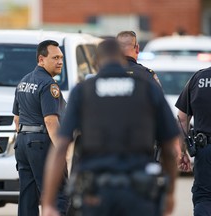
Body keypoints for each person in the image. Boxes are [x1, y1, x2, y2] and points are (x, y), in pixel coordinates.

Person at [42, 39, 180, 216]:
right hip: (139, 194)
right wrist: (169, 194)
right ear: (123, 59)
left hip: (96, 194)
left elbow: (61, 147)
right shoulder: (148, 88)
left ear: (96, 63)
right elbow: (170, 147)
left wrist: (48, 203)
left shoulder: (83, 91)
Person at [12, 40, 69, 216]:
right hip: (41, 144)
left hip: (22, 143)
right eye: (55, 58)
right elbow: (51, 122)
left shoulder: (24, 81)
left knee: (28, 196)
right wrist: (62, 151)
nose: (60, 62)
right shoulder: (48, 85)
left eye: (61, 57)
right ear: (41, 59)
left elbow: (16, 118)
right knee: (57, 194)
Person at [176, 67, 211, 215]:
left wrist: (182, 151)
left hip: (205, 150)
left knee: (204, 198)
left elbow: (182, 119)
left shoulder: (198, 78)